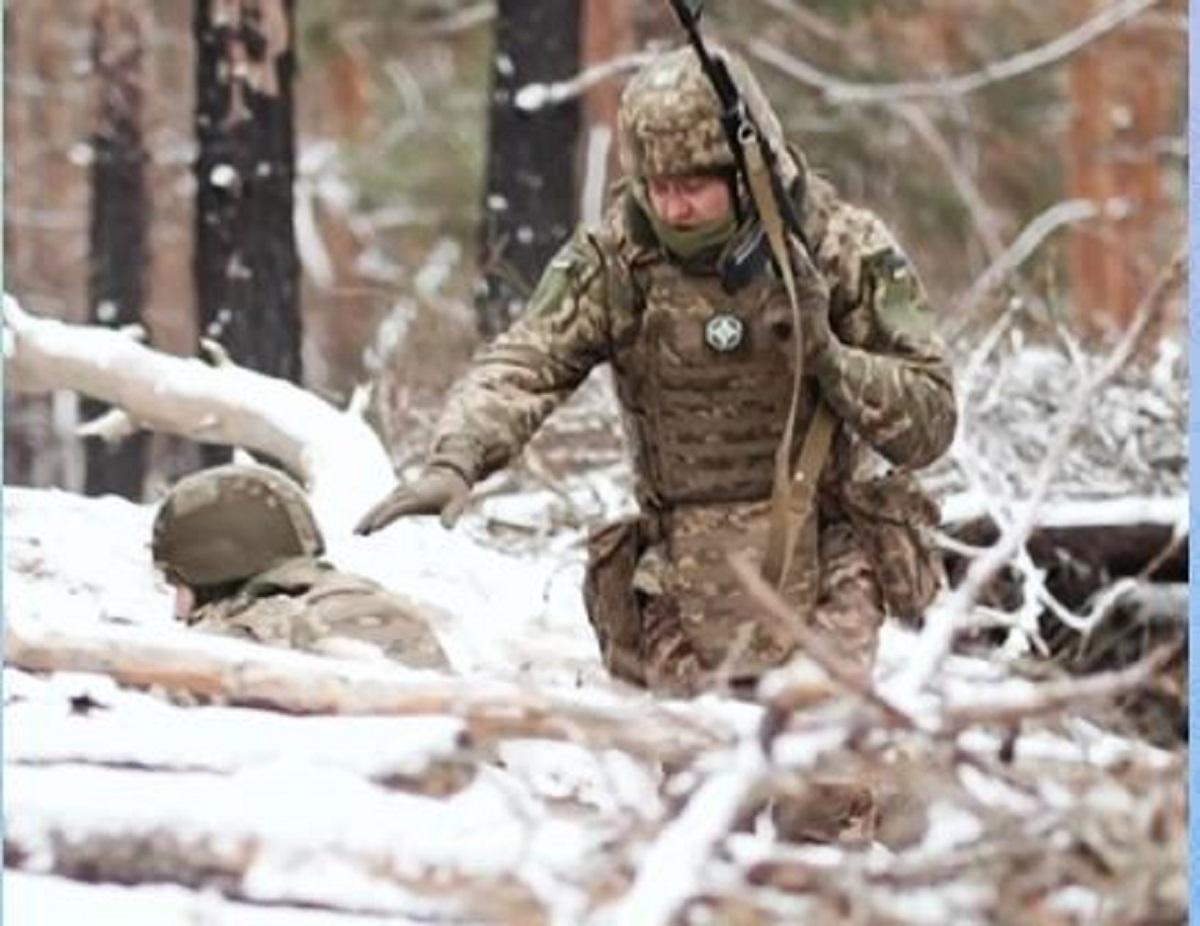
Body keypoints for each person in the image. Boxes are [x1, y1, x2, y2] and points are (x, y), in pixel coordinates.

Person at [356, 46, 955, 695]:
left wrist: (830, 361)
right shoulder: (620, 259)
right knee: (702, 774)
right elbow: (527, 359)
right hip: (679, 570)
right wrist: (457, 458)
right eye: (658, 188)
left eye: (693, 187)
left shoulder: (839, 248)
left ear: (749, 174)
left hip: (828, 549)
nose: (673, 210)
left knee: (819, 777)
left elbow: (930, 420)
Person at [152, 463, 449, 670]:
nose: (178, 612)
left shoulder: (233, 643)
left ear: (213, 565)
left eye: (178, 583)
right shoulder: (388, 606)